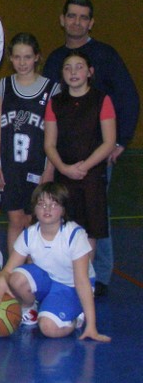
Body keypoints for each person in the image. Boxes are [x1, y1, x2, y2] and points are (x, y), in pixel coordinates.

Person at [43, 0, 140, 297]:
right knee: (64, 211)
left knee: (97, 214)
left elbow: (128, 97)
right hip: (64, 156)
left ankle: (99, 276)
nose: (77, 22)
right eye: (72, 16)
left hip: (96, 155)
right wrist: (53, 162)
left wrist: (121, 141)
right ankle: (62, 272)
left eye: (83, 17)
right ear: (62, 20)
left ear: (91, 22)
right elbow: (47, 106)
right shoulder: (55, 59)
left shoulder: (105, 55)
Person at [0, 182, 110, 342]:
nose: (47, 209)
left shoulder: (74, 235)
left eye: (54, 204)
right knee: (16, 278)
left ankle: (74, 316)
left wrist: (91, 326)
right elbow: (8, 270)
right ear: (34, 209)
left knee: (48, 328)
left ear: (63, 210)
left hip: (71, 287)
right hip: (47, 281)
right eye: (42, 204)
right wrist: (0, 280)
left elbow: (82, 281)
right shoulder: (29, 234)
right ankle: (29, 309)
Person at [0, 33, 60, 255]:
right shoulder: (4, 86)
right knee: (15, 220)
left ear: (37, 57)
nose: (22, 62)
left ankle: (32, 269)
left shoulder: (52, 89)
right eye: (17, 57)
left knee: (32, 221)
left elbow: (55, 135)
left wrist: (50, 169)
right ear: (10, 58)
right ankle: (13, 270)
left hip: (37, 164)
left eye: (27, 57)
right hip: (10, 165)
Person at [44, 51, 116, 250]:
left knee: (89, 232)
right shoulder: (55, 102)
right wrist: (64, 168)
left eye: (79, 67)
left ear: (90, 72)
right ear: (62, 73)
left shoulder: (101, 100)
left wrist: (84, 167)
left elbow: (109, 142)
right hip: (64, 176)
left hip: (91, 176)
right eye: (68, 68)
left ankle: (86, 271)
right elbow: (49, 144)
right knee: (64, 229)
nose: (73, 72)